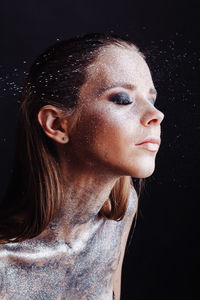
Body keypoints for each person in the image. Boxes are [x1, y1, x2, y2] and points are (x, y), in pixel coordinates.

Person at [0, 33, 164, 300]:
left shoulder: (119, 213)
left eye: (152, 100)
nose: (156, 115)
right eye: (123, 99)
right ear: (56, 124)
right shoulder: (4, 266)